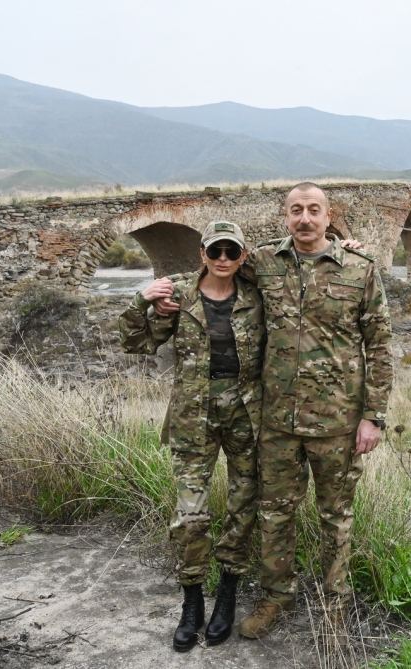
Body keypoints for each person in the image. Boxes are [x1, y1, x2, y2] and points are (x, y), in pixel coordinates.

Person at [154, 183, 393, 639]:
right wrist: (159, 295)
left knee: (335, 516)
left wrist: (373, 415)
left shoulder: (359, 270)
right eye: (296, 210)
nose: (305, 218)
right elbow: (213, 272)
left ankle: (334, 606)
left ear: (328, 216)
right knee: (274, 514)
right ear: (285, 216)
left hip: (337, 421)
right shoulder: (261, 262)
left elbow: (379, 344)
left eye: (314, 210)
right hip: (275, 421)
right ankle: (274, 598)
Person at [118, 220, 265, 652]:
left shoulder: (257, 296)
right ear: (202, 253)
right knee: (190, 515)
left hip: (245, 415)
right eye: (215, 251)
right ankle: (192, 599)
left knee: (242, 507)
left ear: (242, 256)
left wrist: (344, 247)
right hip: (191, 417)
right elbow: (135, 343)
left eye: (231, 252)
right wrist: (140, 301)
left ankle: (228, 595)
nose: (222, 259)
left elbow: (301, 271)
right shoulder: (177, 295)